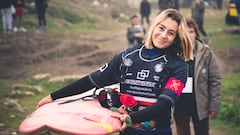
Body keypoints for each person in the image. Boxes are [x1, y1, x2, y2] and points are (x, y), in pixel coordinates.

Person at [37, 9, 193, 135]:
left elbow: (165, 104)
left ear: (176, 38)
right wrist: (52, 96)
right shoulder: (127, 56)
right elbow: (91, 80)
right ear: (154, 26)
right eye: (161, 28)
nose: (164, 35)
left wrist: (131, 118)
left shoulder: (178, 66)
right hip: (127, 131)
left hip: (158, 132)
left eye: (171, 33)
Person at [173, 18, 221, 135]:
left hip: (200, 104)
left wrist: (213, 106)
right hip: (180, 104)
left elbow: (215, 80)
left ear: (195, 33)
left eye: (191, 31)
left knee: (202, 132)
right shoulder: (173, 53)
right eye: (185, 32)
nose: (189, 35)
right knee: (182, 132)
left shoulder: (206, 53)